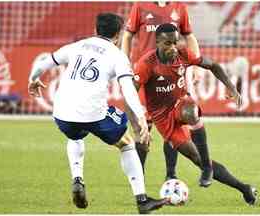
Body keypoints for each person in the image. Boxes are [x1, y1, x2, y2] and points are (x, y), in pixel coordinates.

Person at [27, 13, 167, 214]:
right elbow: (128, 89)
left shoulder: (76, 46)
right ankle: (142, 200)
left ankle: (77, 179)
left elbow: (43, 64)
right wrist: (141, 117)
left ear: (95, 30)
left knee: (75, 135)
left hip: (61, 112)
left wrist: (33, 79)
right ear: (118, 35)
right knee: (127, 144)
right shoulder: (117, 56)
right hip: (93, 113)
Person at [133, 23, 258, 205]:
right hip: (161, 117)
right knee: (195, 157)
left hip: (180, 104)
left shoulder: (183, 54)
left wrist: (231, 88)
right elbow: (130, 92)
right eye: (168, 43)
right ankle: (244, 188)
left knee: (190, 110)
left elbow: (212, 65)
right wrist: (138, 121)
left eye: (176, 42)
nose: (173, 47)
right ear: (158, 42)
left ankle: (207, 168)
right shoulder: (146, 64)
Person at [122, 2, 213, 186]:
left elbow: (189, 36)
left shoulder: (180, 7)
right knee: (143, 127)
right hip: (146, 75)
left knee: (174, 124)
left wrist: (195, 63)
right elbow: (127, 35)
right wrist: (124, 62)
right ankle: (139, 176)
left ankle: (171, 174)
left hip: (172, 73)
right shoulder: (140, 6)